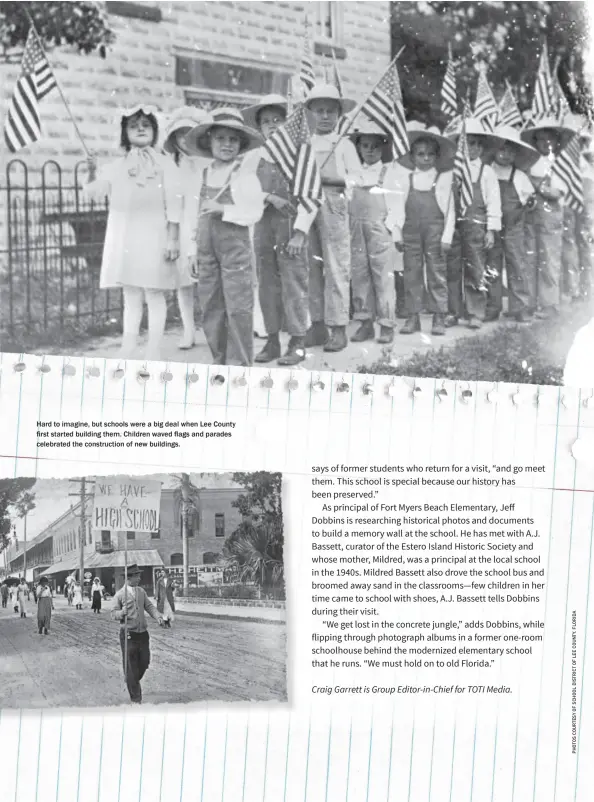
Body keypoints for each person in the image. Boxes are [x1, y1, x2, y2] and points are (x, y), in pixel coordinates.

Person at [86, 104, 183, 360]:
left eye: (146, 125)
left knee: (154, 291)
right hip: (128, 236)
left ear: (155, 130)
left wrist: (173, 237)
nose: (140, 129)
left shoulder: (165, 164)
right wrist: (91, 169)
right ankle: (128, 344)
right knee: (130, 292)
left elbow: (174, 201)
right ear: (124, 133)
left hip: (155, 234)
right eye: (133, 125)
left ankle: (153, 348)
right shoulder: (118, 166)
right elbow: (95, 190)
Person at [185, 108, 265, 366]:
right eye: (220, 138)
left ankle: (240, 365)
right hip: (207, 249)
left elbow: (254, 212)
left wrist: (224, 209)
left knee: (238, 308)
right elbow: (192, 215)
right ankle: (220, 361)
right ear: (209, 141)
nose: (226, 145)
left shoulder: (243, 175)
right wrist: (191, 251)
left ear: (241, 144)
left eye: (233, 140)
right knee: (211, 306)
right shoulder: (202, 174)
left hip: (235, 249)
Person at [243, 94, 315, 366]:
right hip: (263, 226)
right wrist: (269, 197)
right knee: (268, 284)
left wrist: (300, 232)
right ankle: (272, 340)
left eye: (278, 120)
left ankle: (297, 341)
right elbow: (244, 190)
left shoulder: (300, 154)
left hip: (291, 226)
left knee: (294, 283)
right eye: (266, 122)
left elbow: (311, 195)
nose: (272, 126)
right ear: (259, 128)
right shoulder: (253, 157)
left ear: (288, 124)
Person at [304, 84, 360, 352]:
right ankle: (316, 326)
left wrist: (332, 179)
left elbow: (359, 179)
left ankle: (338, 328)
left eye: (330, 111)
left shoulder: (345, 144)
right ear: (311, 114)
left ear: (339, 114)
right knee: (310, 267)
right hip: (306, 205)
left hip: (334, 204)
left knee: (336, 266)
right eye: (319, 111)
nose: (325, 116)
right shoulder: (304, 145)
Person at [347, 117, 408, 344]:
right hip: (356, 229)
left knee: (383, 278)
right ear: (358, 148)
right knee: (360, 275)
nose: (370, 151)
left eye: (375, 146)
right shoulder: (353, 173)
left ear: (383, 147)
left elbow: (396, 207)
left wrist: (391, 228)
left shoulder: (388, 172)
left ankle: (386, 324)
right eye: (365, 146)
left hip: (379, 229)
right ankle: (365, 322)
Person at [395, 122, 456, 336]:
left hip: (435, 230)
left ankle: (439, 315)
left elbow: (450, 211)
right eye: (421, 154)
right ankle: (413, 317)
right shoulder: (406, 178)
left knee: (436, 271)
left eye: (431, 154)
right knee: (412, 271)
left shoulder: (443, 178)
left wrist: (447, 236)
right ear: (412, 157)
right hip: (411, 229)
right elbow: (398, 207)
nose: (426, 158)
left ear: (437, 157)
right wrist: (397, 233)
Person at [162, 106, 213, 350]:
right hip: (184, 224)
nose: (184, 140)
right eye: (179, 135)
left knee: (210, 278)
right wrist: (172, 237)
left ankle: (214, 327)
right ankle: (188, 329)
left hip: (208, 222)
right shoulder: (174, 166)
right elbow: (173, 204)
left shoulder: (209, 161)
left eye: (189, 134)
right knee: (184, 280)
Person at [446, 119, 501, 329]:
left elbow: (493, 203)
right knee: (452, 269)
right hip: (453, 225)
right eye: (469, 143)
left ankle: (476, 311)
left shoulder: (486, 172)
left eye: (478, 143)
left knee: (476, 268)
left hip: (476, 224)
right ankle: (453, 311)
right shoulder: (453, 170)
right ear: (460, 145)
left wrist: (491, 230)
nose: (474, 148)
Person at [483, 125, 539, 323]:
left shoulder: (520, 177)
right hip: (492, 227)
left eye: (511, 151)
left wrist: (527, 206)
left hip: (514, 227)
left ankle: (520, 307)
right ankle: (492, 306)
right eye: (502, 149)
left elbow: (531, 200)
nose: (506, 154)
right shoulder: (486, 172)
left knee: (517, 264)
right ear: (494, 150)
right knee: (491, 265)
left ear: (516, 154)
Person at [521, 116, 574, 319]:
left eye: (549, 139)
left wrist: (537, 185)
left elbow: (557, 193)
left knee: (549, 259)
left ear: (556, 141)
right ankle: (530, 302)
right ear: (534, 142)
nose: (545, 143)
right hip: (531, 213)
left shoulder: (560, 164)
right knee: (530, 257)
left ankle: (550, 304)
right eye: (540, 139)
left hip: (551, 215)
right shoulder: (530, 161)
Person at [111, 564, 164, 704]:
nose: (140, 578)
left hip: (143, 634)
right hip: (128, 634)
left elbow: (149, 606)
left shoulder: (141, 591)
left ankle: (131, 679)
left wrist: (158, 616)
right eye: (137, 575)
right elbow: (113, 614)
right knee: (130, 665)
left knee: (145, 662)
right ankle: (136, 699)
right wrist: (121, 613)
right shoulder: (120, 595)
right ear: (129, 577)